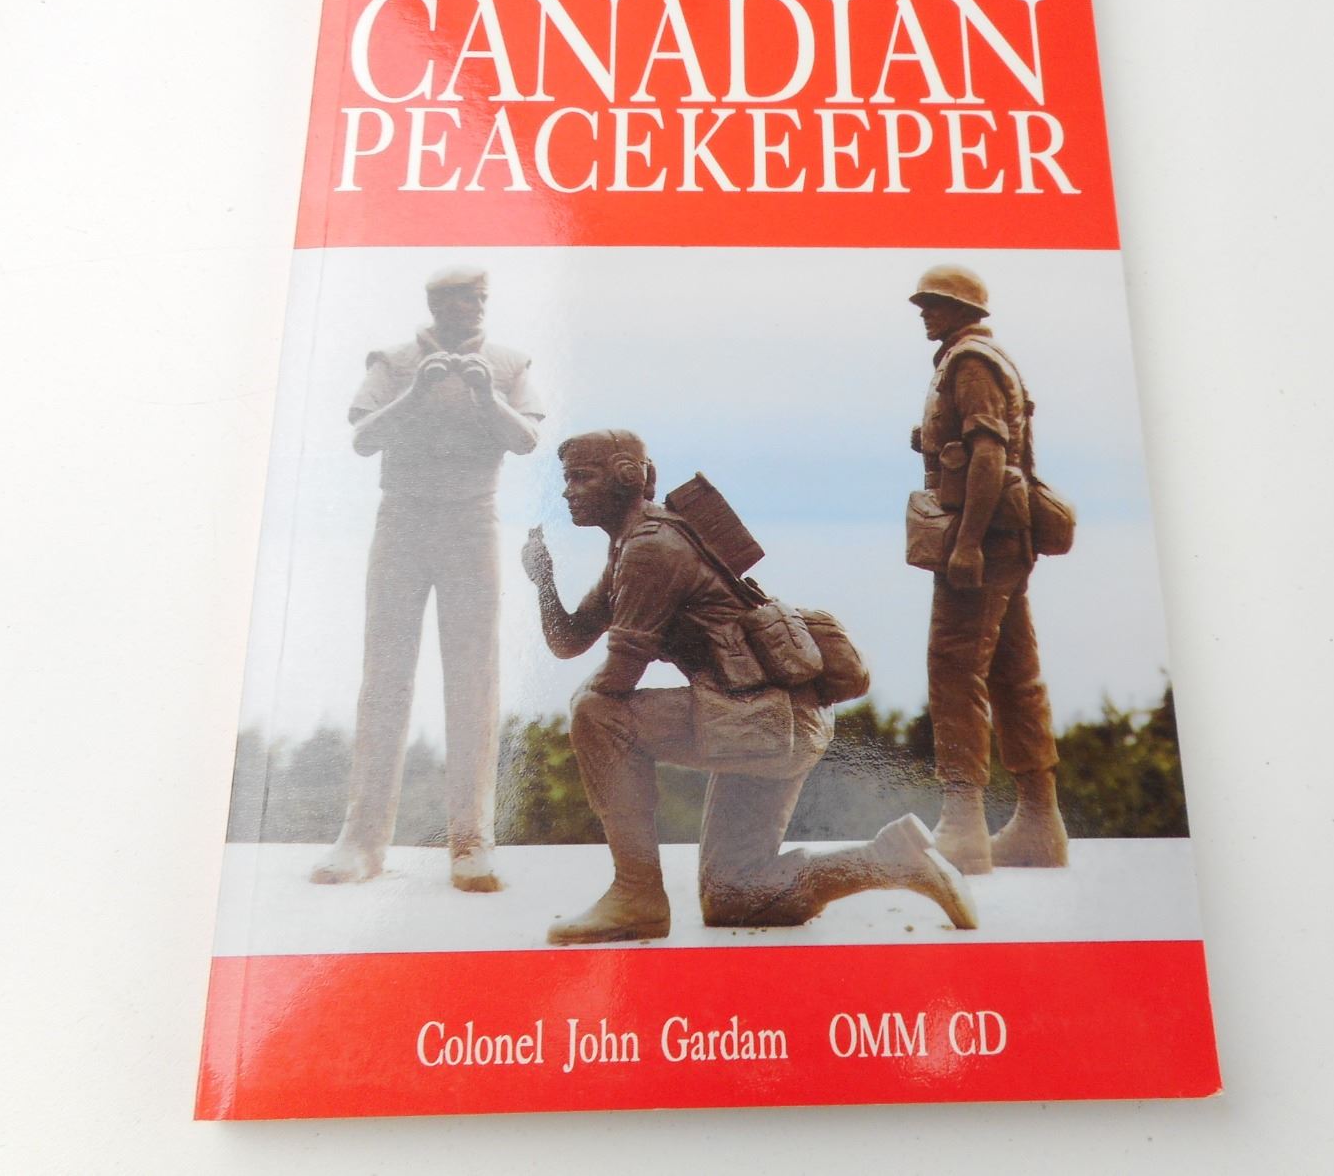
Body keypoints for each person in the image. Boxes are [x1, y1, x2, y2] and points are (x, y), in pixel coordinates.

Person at [521, 430, 977, 944]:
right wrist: (544, 582)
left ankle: (636, 893)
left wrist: (591, 711)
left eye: (581, 478)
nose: (568, 492)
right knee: (735, 894)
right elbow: (569, 640)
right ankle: (891, 860)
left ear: (627, 477)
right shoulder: (634, 543)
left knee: (595, 714)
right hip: (769, 720)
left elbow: (619, 676)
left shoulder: (651, 548)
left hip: (763, 721)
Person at [311, 265, 543, 890]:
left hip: (472, 522)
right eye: (464, 298)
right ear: (438, 304)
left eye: (481, 298)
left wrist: (486, 395)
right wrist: (417, 391)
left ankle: (471, 841)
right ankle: (362, 840)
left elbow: (527, 440)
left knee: (474, 680)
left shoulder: (508, 363)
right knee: (385, 676)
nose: (476, 307)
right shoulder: (393, 361)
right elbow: (363, 439)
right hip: (403, 521)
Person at [908, 264, 1071, 875]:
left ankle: (963, 824)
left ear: (962, 309)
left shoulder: (970, 363)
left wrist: (968, 543)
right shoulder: (981, 359)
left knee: (954, 669)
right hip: (1008, 537)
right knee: (1012, 674)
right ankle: (1039, 824)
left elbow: (990, 456)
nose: (925, 313)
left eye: (934, 303)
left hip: (984, 538)